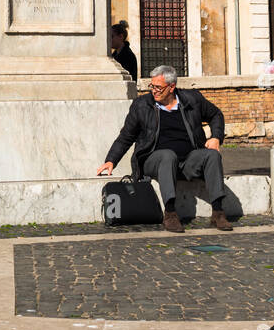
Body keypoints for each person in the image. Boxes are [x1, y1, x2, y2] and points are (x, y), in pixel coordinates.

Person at [96, 65, 232, 234]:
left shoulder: (192, 100)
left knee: (212, 156)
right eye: (152, 86)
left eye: (158, 87)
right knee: (168, 155)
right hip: (154, 160)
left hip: (188, 159)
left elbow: (216, 114)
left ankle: (218, 212)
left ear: (172, 87)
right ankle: (170, 213)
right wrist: (111, 160)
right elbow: (126, 136)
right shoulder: (142, 105)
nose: (154, 91)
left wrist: (216, 137)